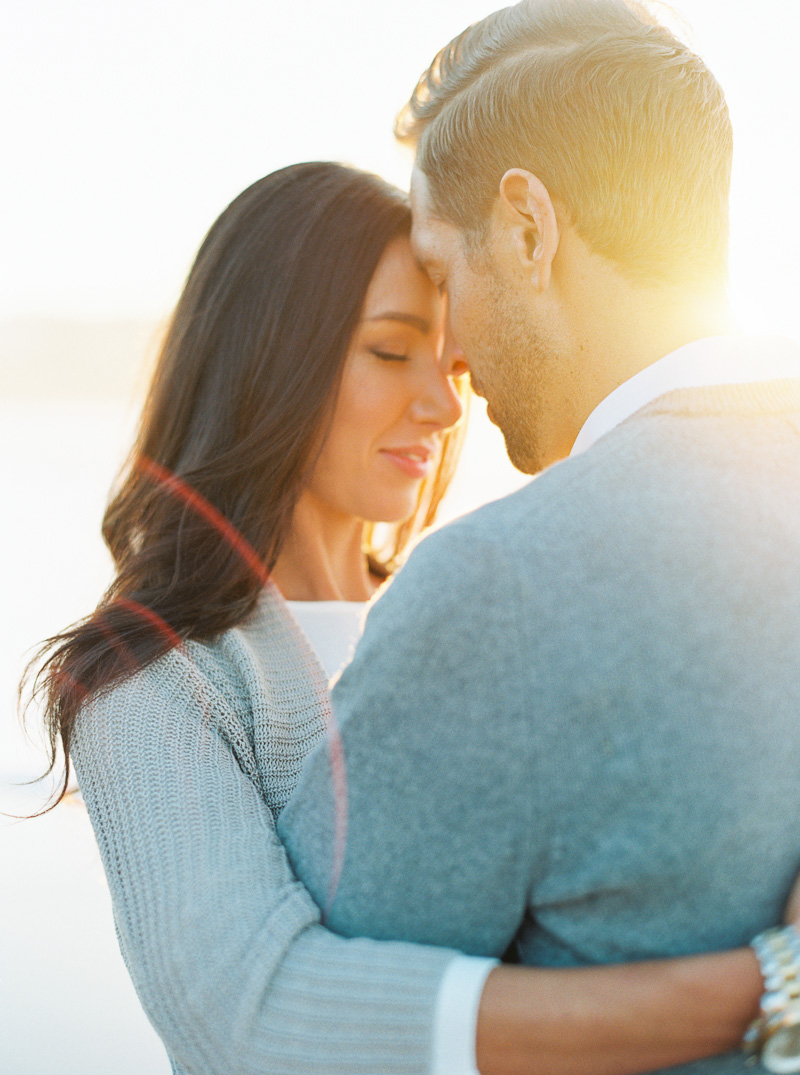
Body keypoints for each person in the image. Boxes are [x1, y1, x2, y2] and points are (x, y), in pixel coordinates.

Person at [24, 158, 794, 1075]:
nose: (439, 406)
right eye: (391, 352)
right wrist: (769, 986)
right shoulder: (156, 679)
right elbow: (252, 1029)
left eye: (452, 361)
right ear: (269, 359)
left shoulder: (478, 604)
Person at [278, 3, 800, 1075]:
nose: (452, 355)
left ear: (525, 228)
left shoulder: (495, 587)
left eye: (442, 271)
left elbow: (298, 1043)